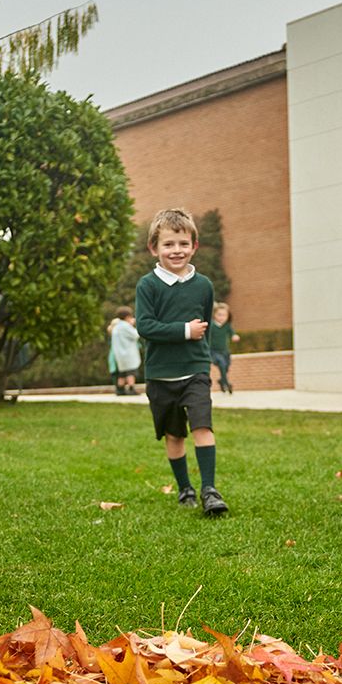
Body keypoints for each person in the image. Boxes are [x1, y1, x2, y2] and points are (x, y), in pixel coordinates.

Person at [134, 208, 229, 516]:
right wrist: (185, 330)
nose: (177, 251)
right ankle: (185, 487)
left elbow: (208, 329)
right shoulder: (147, 286)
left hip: (195, 372)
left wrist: (207, 361)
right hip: (162, 375)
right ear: (154, 248)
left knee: (203, 426)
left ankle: (209, 490)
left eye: (183, 244)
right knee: (174, 435)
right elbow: (145, 327)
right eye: (169, 244)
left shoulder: (204, 285)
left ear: (194, 246)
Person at [107, 306, 141, 396]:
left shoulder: (116, 327)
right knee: (131, 371)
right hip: (128, 354)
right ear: (127, 317)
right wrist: (132, 325)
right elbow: (136, 335)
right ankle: (131, 388)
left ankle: (120, 389)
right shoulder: (125, 326)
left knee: (122, 372)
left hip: (119, 354)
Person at [208, 301, 239, 394]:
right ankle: (227, 384)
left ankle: (222, 381)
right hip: (214, 351)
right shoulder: (212, 326)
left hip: (225, 351)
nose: (222, 317)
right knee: (221, 364)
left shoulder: (227, 325)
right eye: (219, 315)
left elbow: (232, 333)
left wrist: (234, 336)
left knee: (226, 367)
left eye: (224, 315)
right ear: (214, 315)